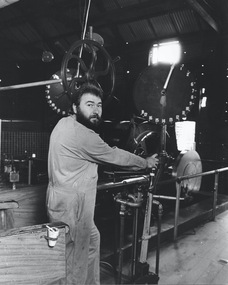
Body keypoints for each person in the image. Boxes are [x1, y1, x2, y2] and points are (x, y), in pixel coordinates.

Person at [46, 81, 159, 285]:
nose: (96, 110)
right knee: (75, 261)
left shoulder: (63, 123)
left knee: (91, 241)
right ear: (75, 107)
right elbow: (115, 156)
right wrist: (145, 162)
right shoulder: (84, 136)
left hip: (59, 201)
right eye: (89, 105)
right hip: (75, 206)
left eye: (98, 105)